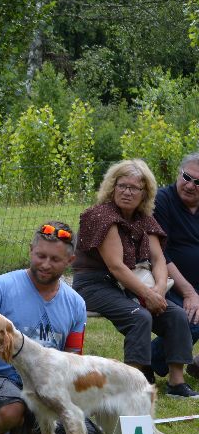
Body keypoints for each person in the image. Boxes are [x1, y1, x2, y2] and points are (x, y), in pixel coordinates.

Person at [0, 222, 107, 434]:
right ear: (30, 250)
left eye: (55, 259)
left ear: (70, 260)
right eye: (40, 255)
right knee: (10, 409)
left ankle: (28, 430)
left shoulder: (76, 303)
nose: (45, 264)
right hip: (0, 380)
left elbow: (73, 358)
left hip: (47, 385)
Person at [72, 159, 199, 398]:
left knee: (176, 313)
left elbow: (159, 260)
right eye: (122, 186)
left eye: (134, 188)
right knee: (139, 316)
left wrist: (159, 290)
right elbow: (116, 267)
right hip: (96, 284)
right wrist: (147, 294)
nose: (127, 192)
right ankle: (133, 384)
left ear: (145, 193)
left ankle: (176, 383)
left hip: (128, 283)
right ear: (112, 187)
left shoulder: (143, 218)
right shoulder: (102, 215)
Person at [151, 152, 199, 380]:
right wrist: (189, 292)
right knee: (192, 319)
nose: (191, 185)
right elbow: (159, 253)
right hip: (169, 284)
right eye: (187, 177)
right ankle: (147, 362)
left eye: (198, 182)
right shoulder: (162, 200)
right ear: (178, 174)